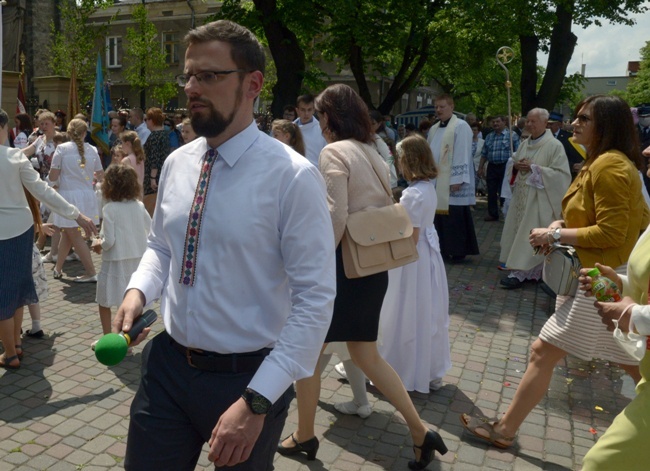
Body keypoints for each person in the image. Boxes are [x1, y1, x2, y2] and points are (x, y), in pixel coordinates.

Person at [115, 20, 336, 471]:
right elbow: (160, 246)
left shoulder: (292, 177)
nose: (192, 88)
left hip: (249, 379)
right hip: (167, 366)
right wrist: (138, 291)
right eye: (189, 75)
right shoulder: (178, 161)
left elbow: (315, 301)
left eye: (209, 76)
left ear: (252, 84)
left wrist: (257, 401)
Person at [461, 95, 649, 449]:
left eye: (584, 118)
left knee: (543, 351)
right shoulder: (603, 161)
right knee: (633, 361)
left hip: (599, 278)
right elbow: (611, 220)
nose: (574, 124)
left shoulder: (610, 165)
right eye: (576, 117)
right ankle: (505, 429)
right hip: (597, 276)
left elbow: (613, 232)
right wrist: (563, 224)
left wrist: (556, 233)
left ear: (606, 125)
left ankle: (504, 430)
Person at [278, 84, 447, 470]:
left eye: (320, 116)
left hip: (342, 268)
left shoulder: (335, 151)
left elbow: (335, 216)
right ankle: (421, 431)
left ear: (330, 117)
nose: (318, 124)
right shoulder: (372, 149)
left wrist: (313, 264)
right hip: (370, 266)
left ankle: (305, 435)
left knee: (310, 352)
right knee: (365, 354)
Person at [0, 108, 96, 369]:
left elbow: (43, 189)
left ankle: (9, 354)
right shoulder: (15, 157)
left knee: (3, 296)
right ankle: (16, 345)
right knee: (19, 289)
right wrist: (76, 215)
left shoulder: (16, 156)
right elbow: (43, 191)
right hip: (21, 230)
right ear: (5, 127)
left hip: (9, 232)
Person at [379, 135, 451, 392]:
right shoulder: (428, 188)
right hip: (427, 257)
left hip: (411, 259)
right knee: (424, 311)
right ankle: (424, 366)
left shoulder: (412, 195)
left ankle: (399, 366)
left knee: (402, 311)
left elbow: (410, 234)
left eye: (399, 159)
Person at [498, 108, 571, 289]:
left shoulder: (554, 146)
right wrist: (516, 166)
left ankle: (523, 273)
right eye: (528, 121)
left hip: (540, 201)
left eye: (533, 121)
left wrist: (536, 169)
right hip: (522, 198)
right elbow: (514, 163)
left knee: (528, 236)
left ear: (545, 123)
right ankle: (526, 271)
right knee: (518, 233)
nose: (529, 124)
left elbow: (561, 175)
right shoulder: (525, 143)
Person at [91, 165, 151, 349]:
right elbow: (149, 230)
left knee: (105, 301)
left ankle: (108, 338)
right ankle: (127, 339)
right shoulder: (139, 206)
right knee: (130, 302)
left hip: (115, 262)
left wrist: (97, 244)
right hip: (136, 260)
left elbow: (109, 241)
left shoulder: (110, 209)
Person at [50, 119, 104, 283]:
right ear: (84, 133)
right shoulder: (92, 149)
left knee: (73, 233)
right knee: (69, 233)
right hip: (87, 196)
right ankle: (58, 268)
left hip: (68, 197)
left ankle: (91, 272)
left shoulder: (61, 149)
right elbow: (100, 174)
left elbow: (52, 176)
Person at [427, 94, 479, 261]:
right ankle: (442, 248)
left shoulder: (461, 126)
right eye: (436, 107)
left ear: (451, 106)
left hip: (453, 181)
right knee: (439, 217)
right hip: (437, 179)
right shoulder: (434, 128)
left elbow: (462, 153)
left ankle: (457, 251)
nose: (438, 110)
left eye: (442, 106)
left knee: (455, 217)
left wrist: (457, 179)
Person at [478, 115, 520, 221]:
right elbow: (484, 154)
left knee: (504, 190)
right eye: (493, 122)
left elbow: (518, 152)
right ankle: (492, 214)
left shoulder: (512, 136)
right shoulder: (489, 136)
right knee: (491, 191)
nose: (495, 124)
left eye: (498, 121)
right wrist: (480, 167)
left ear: (504, 122)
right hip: (492, 166)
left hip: (506, 166)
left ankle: (504, 211)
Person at [142, 107, 171, 217]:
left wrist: (152, 178)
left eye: (147, 119)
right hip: (163, 173)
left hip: (153, 177)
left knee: (150, 208)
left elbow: (154, 158)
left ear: (152, 120)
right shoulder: (164, 134)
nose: (146, 122)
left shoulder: (154, 136)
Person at [547, 111, 584, 179]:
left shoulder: (569, 138)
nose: (548, 127)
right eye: (547, 124)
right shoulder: (544, 137)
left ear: (559, 124)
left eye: (551, 124)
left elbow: (574, 156)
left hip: (565, 174)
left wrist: (572, 166)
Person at [293, 94, 327, 167]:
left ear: (314, 110)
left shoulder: (322, 130)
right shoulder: (290, 129)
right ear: (297, 110)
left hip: (315, 172)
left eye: (309, 109)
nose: (306, 113)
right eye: (303, 110)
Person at [119, 131, 145, 200]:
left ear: (128, 144)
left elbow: (123, 180)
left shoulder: (126, 160)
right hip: (140, 194)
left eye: (122, 143)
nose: (121, 146)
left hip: (129, 195)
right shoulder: (140, 158)